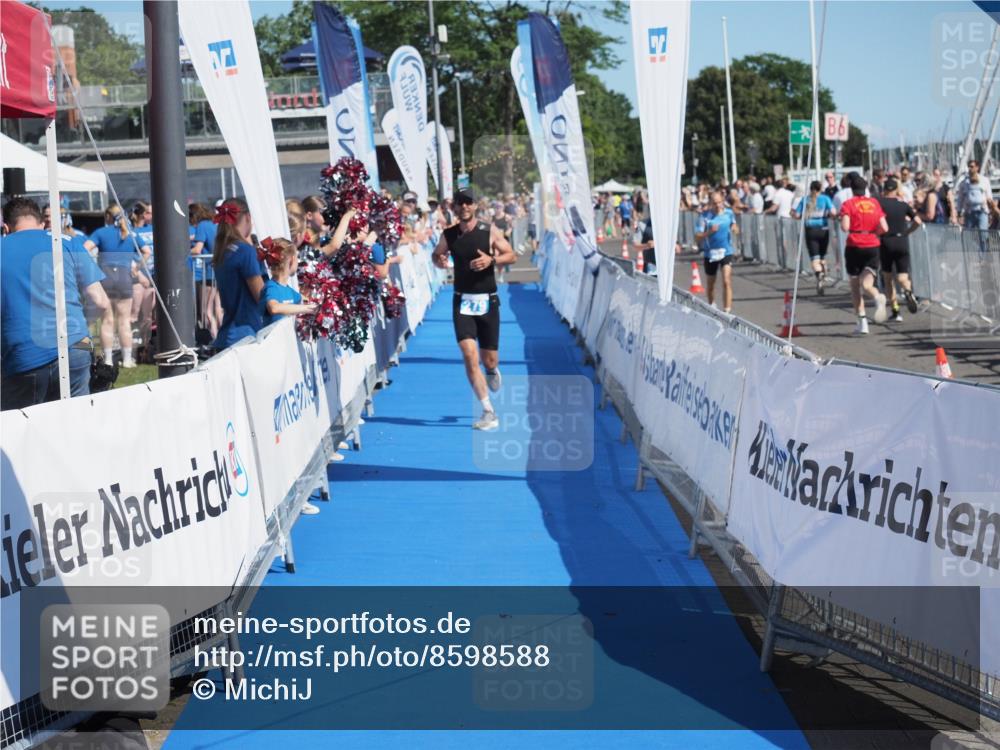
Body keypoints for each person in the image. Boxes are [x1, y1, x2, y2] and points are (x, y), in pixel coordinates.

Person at [1, 198, 110, 409]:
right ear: (42, 223)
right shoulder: (68, 242)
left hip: (23, 351)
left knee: (18, 432)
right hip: (77, 343)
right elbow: (101, 301)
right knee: (74, 423)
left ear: (6, 227)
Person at [431, 190, 516, 431]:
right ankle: (488, 410)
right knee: (469, 354)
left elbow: (511, 255)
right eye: (460, 204)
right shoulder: (449, 234)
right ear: (454, 208)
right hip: (462, 302)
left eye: (468, 203)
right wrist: (437, 259)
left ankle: (491, 369)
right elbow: (437, 254)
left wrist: (492, 260)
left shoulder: (489, 231)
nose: (464, 207)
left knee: (488, 359)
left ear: (475, 206)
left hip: (488, 301)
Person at [85, 203, 148, 368]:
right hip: (124, 277)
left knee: (107, 321)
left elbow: (85, 249)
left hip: (105, 276)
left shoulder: (100, 232)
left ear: (108, 216)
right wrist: (137, 267)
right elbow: (147, 251)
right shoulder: (131, 234)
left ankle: (107, 359)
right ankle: (127, 359)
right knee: (124, 321)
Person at [211, 199, 266, 350]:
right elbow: (262, 297)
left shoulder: (223, 251)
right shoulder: (245, 251)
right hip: (246, 336)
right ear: (247, 217)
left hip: (227, 335)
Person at [840, 172, 889, 335]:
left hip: (854, 244)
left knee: (855, 285)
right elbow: (885, 227)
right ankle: (876, 296)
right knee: (867, 284)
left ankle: (862, 323)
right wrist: (874, 231)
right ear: (866, 188)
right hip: (872, 244)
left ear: (852, 189)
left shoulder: (848, 204)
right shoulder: (874, 203)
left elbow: (845, 227)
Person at [877, 178, 922, 321]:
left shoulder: (880, 204)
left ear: (884, 190)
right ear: (896, 190)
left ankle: (895, 310)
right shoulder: (903, 204)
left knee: (888, 277)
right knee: (903, 276)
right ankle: (908, 291)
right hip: (901, 240)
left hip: (886, 241)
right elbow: (918, 221)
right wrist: (908, 232)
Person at [695, 190, 738, 313]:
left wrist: (735, 228)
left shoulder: (729, 213)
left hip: (726, 251)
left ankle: (727, 311)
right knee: (711, 285)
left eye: (719, 202)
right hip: (711, 253)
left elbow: (735, 226)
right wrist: (709, 232)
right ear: (710, 203)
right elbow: (697, 236)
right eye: (715, 203)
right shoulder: (705, 217)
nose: (718, 205)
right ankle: (712, 306)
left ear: (723, 201)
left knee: (726, 280)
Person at [793, 180, 836, 295]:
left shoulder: (805, 200)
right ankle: (823, 271)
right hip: (823, 229)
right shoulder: (825, 199)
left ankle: (819, 273)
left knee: (814, 258)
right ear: (820, 189)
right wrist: (828, 215)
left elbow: (797, 215)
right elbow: (833, 212)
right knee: (822, 256)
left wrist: (798, 215)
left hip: (811, 230)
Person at [189, 202, 222, 338]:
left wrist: (182, 252)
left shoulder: (202, 225)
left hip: (209, 273)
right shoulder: (215, 224)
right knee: (219, 308)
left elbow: (197, 250)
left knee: (206, 311)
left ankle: (214, 340)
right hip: (221, 270)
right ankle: (225, 340)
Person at [955, 159, 997, 232]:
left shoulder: (984, 181)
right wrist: (959, 212)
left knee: (983, 234)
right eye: (969, 167)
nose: (970, 169)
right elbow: (960, 198)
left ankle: (983, 243)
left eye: (972, 167)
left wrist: (991, 211)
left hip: (982, 211)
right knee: (968, 235)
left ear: (977, 167)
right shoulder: (964, 183)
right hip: (969, 212)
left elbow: (989, 197)